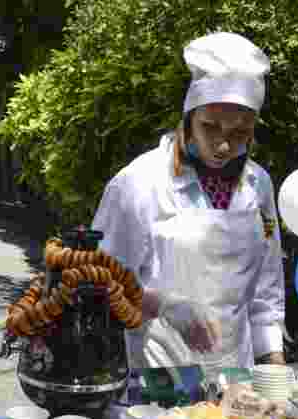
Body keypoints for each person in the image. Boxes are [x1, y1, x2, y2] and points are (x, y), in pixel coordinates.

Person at [92, 32, 286, 374]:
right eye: (211, 127)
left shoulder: (259, 187)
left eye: (239, 133)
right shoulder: (138, 183)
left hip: (235, 377)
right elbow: (98, 281)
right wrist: (162, 304)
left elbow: (266, 288)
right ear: (189, 119)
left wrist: (274, 366)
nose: (224, 146)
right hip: (157, 374)